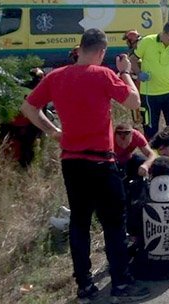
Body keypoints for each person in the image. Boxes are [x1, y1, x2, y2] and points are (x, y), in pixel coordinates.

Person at [19, 28, 150, 302]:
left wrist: (54, 131)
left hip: (72, 162)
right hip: (101, 162)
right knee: (114, 224)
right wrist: (125, 72)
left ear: (79, 48)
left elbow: (29, 108)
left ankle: (85, 287)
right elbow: (133, 102)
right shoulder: (103, 74)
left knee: (79, 224)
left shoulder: (55, 77)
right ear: (102, 52)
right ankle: (121, 285)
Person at [130, 20, 169, 139]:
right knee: (151, 130)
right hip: (150, 94)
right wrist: (139, 73)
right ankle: (154, 156)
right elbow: (132, 59)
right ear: (164, 33)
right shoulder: (148, 41)